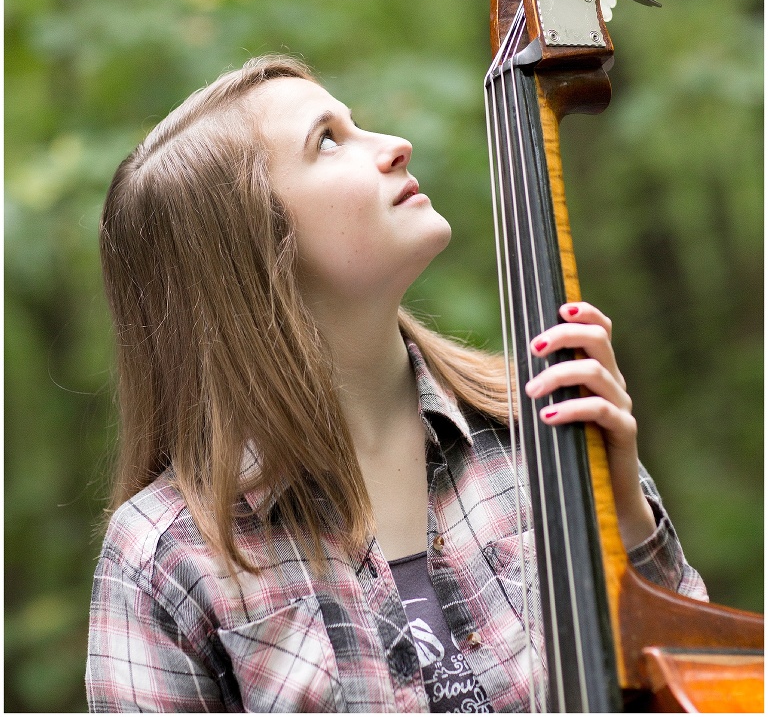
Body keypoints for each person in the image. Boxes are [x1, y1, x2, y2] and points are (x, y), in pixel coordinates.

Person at [86, 54, 706, 713]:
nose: (395, 146)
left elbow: (704, 681)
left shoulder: (542, 418)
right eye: (328, 140)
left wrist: (627, 520)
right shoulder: (164, 555)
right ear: (253, 247)